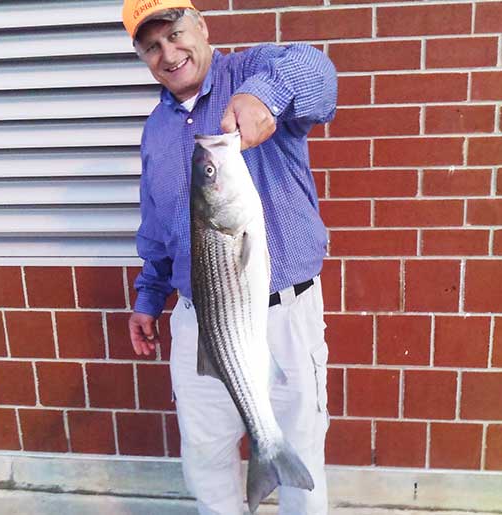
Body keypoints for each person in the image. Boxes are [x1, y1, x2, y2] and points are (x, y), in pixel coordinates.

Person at [122, 1, 337, 513]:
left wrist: (264, 97)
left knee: (299, 458)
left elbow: (319, 73)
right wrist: (149, 297)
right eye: (152, 47)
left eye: (176, 34)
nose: (169, 53)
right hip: (199, 319)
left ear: (203, 27)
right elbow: (158, 226)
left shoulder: (253, 71)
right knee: (205, 459)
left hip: (282, 313)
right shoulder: (156, 129)